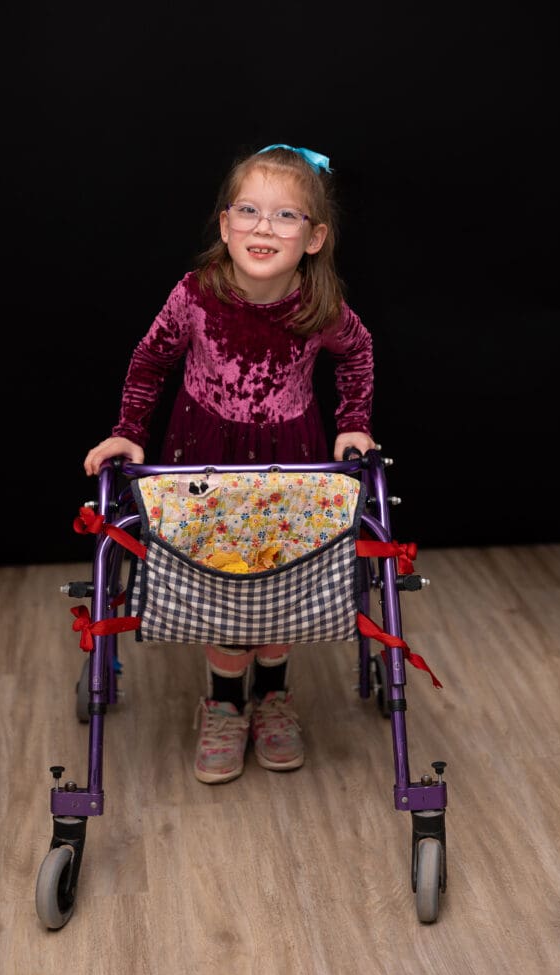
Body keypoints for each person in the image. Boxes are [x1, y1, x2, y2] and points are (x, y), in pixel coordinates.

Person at [84, 143, 376, 784]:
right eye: (248, 210)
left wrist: (354, 422)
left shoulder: (316, 306)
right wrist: (129, 432)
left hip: (289, 457)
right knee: (219, 576)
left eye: (285, 217)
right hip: (205, 455)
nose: (263, 227)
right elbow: (151, 360)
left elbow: (357, 354)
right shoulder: (196, 295)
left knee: (279, 573)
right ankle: (222, 702)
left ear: (315, 237)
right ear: (225, 225)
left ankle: (273, 693)